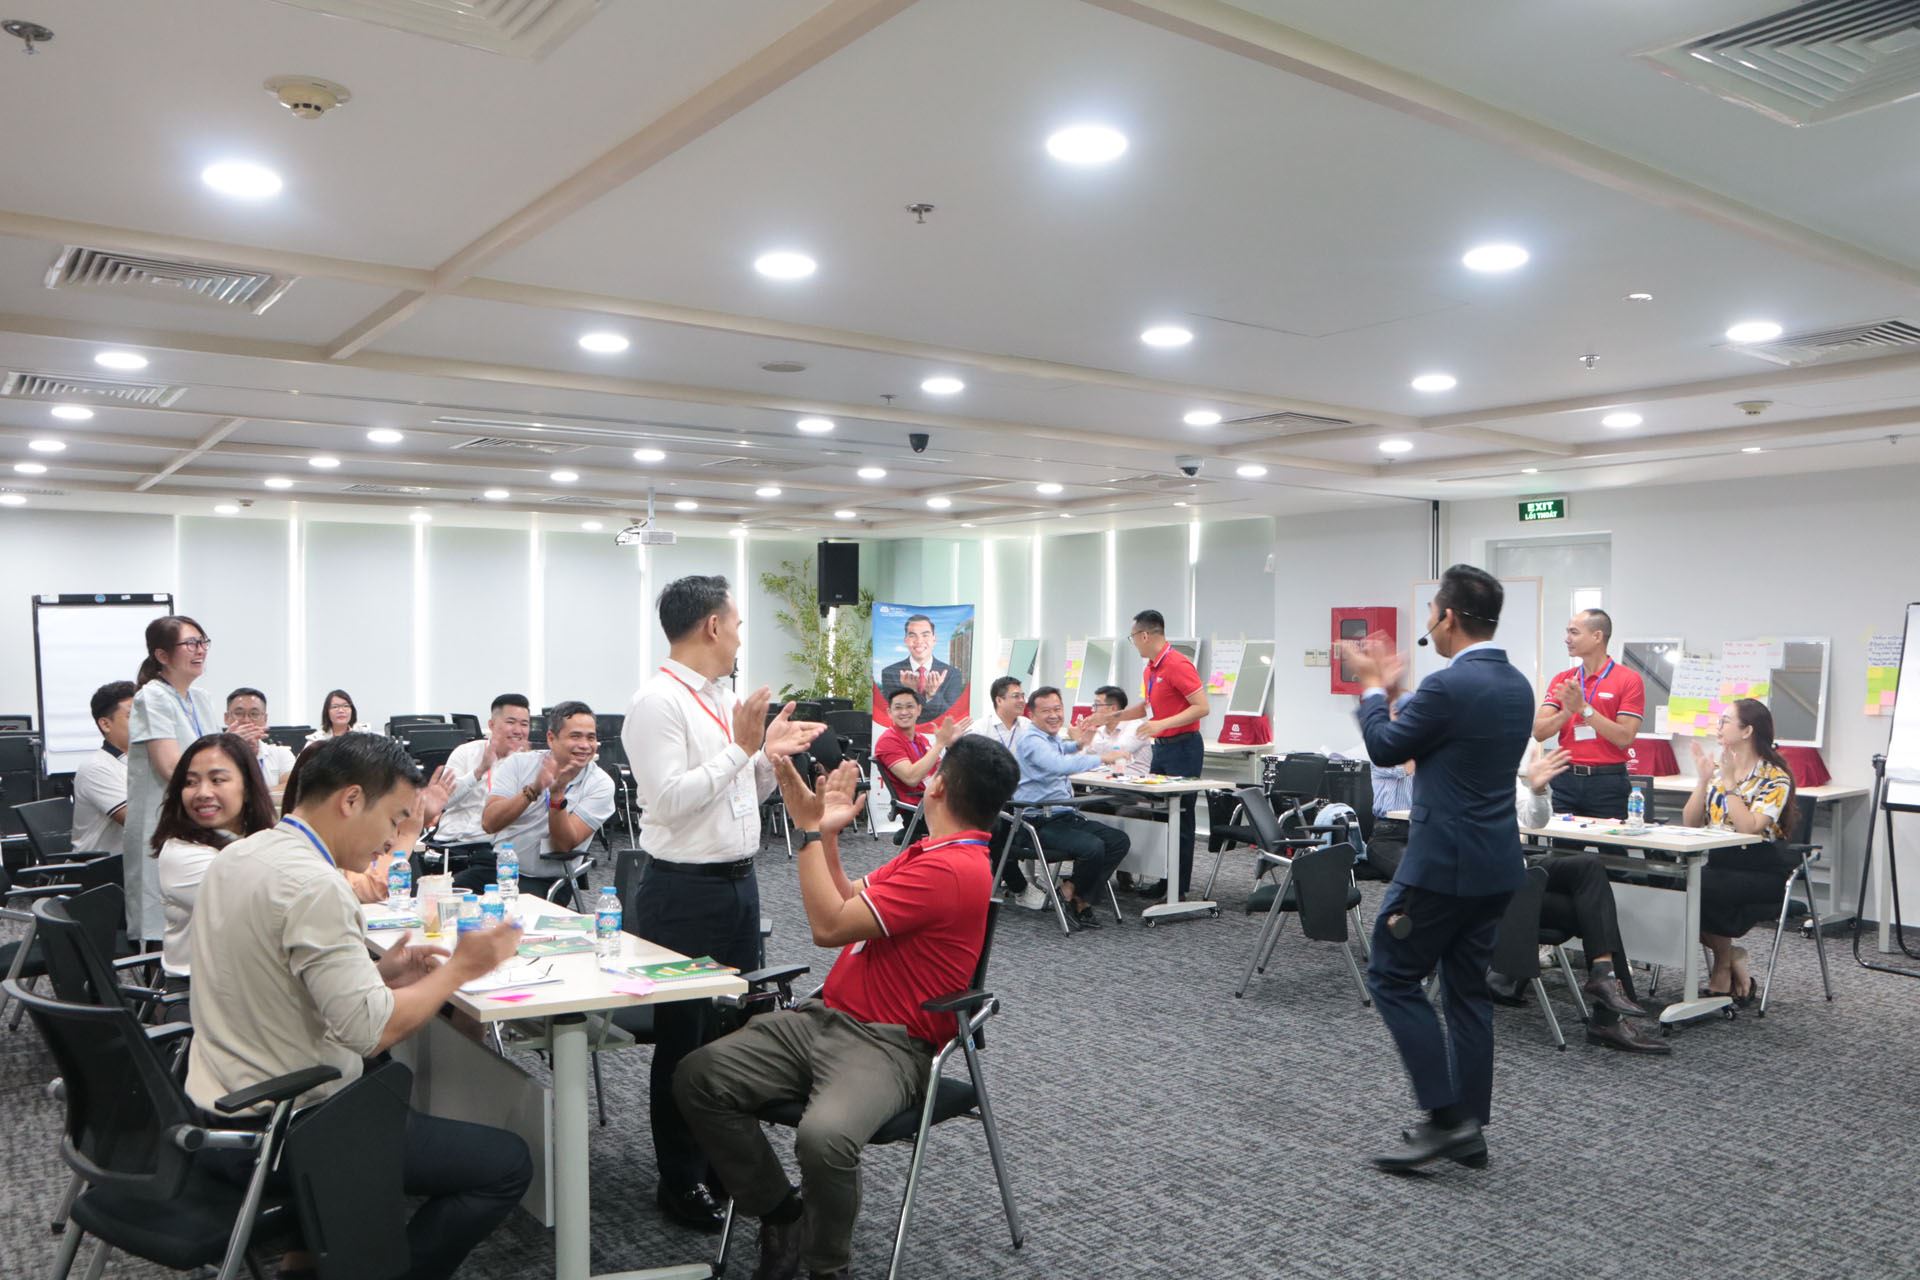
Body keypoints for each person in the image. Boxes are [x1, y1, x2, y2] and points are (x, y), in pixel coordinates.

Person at [675, 735, 1021, 1280]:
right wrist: (829, 836)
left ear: (937, 785)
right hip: (824, 1017)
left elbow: (828, 927)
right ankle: (782, 1213)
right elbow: (846, 900)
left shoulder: (952, 868)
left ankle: (825, 1265)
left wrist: (812, 833)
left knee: (824, 1139)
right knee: (699, 1076)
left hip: (888, 1045)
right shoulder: (931, 852)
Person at [185, 733, 530, 1280]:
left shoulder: (240, 854)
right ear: (350, 800)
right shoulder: (315, 886)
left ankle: (312, 1257)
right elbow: (372, 1031)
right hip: (286, 1127)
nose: (393, 839)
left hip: (217, 1102)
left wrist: (378, 975)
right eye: (393, 819)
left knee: (390, 1085)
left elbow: (271, 979)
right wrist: (462, 969)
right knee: (506, 1164)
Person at [622, 575, 826, 1232]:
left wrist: (765, 758)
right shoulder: (656, 703)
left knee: (737, 1036)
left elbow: (737, 795)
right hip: (683, 892)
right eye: (736, 625)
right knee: (684, 1041)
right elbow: (671, 800)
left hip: (740, 882)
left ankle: (726, 1167)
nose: (740, 637)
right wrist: (743, 748)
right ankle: (680, 1181)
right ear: (712, 626)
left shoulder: (724, 698)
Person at [1344, 564, 1532, 1173]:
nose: (1429, 623)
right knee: (1467, 992)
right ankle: (1470, 1127)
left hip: (1441, 865)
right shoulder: (1517, 684)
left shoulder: (1450, 685)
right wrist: (1397, 695)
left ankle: (1447, 1119)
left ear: (1447, 618)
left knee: (1392, 976)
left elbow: (1385, 747)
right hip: (1495, 864)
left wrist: (1372, 688)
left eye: (1431, 613)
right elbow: (1440, 740)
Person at [1498, 745, 1666, 1054]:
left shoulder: (1497, 766)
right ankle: (1608, 1019)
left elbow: (1535, 820)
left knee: (1589, 867)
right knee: (1594, 912)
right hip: (1495, 887)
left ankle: (1603, 976)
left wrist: (1537, 790)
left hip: (1520, 872)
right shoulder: (1453, 774)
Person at [1681, 699, 1798, 1003]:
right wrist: (1703, 780)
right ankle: (1729, 955)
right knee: (1673, 886)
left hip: (1760, 869)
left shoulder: (1775, 777)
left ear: (1747, 731)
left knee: (1699, 887)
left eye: (1725, 721)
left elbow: (1749, 828)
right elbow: (1690, 823)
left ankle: (1722, 964)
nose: (1718, 727)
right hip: (1719, 862)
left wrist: (1730, 784)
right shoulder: (1720, 771)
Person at [151, 732, 277, 981]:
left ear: (247, 787)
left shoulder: (256, 839)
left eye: (217, 780)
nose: (203, 793)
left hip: (249, 985)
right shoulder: (182, 854)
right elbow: (272, 906)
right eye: (190, 782)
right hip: (196, 991)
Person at [125, 615, 220, 946]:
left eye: (203, 642)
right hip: (163, 818)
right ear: (162, 656)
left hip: (199, 813)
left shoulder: (201, 698)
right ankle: (160, 977)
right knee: (164, 920)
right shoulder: (151, 697)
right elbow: (169, 766)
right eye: (190, 644)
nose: (200, 650)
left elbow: (213, 755)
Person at [1012, 687, 1131, 929]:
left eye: (1058, 709)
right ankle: (1080, 901)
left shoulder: (1049, 738)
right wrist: (1102, 758)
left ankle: (1071, 893)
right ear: (1032, 715)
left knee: (1118, 841)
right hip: (1037, 821)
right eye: (1046, 711)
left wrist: (1080, 743)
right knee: (1092, 847)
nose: (1054, 715)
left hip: (1063, 816)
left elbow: (1062, 750)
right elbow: (1058, 764)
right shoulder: (1031, 740)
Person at [1111, 611, 1209, 898]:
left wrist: (1161, 724)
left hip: (1184, 747)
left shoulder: (1178, 664)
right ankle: (1166, 879)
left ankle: (1178, 888)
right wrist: (1113, 716)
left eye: (1133, 637)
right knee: (1161, 814)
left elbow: (1202, 707)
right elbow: (1147, 706)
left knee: (1181, 815)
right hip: (1163, 747)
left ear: (1145, 635)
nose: (1134, 643)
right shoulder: (1151, 669)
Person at [482, 700, 614, 901]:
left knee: (511, 912)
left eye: (591, 738)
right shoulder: (518, 763)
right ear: (551, 738)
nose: (585, 745)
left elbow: (562, 845)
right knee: (448, 900)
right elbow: (489, 823)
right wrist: (534, 789)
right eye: (575, 736)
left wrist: (557, 795)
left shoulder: (600, 784)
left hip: (546, 880)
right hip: (498, 867)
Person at [1533, 609, 1644, 819]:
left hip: (1607, 782)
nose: (1567, 639)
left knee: (1609, 841)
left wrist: (1584, 709)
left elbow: (1624, 738)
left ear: (1597, 636)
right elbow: (1539, 732)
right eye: (1567, 632)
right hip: (1565, 778)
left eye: (1574, 632)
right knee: (1561, 841)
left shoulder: (1629, 679)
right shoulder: (1563, 679)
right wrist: (1566, 713)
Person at [439, 693, 532, 888]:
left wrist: (527, 767)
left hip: (493, 849)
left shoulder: (529, 765)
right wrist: (479, 771)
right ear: (491, 725)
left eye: (524, 724)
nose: (518, 730)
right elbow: (443, 801)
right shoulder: (465, 752)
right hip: (450, 844)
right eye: (511, 722)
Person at [965, 677, 1039, 905]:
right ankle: (1019, 887)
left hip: (1023, 794)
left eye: (1023, 695)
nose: (1022, 700)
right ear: (999, 700)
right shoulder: (980, 728)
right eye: (1016, 696)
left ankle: (1008, 878)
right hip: (989, 797)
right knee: (998, 830)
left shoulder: (1028, 726)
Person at [872, 686, 970, 813]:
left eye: (909, 706)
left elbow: (941, 771)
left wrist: (950, 746)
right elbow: (911, 778)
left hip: (939, 799)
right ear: (889, 712)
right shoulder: (887, 741)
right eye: (898, 708)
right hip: (921, 810)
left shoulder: (920, 739)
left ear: (919, 710)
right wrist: (940, 744)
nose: (904, 712)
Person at [71, 680, 134, 855]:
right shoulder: (97, 767)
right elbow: (138, 824)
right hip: (101, 866)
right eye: (132, 715)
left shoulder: (143, 761)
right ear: (106, 724)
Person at [876, 613, 965, 723]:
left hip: (939, 732)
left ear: (934, 639)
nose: (919, 641)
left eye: (925, 635)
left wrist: (932, 695)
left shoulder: (953, 674)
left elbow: (952, 717)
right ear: (906, 640)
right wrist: (910, 693)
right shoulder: (890, 673)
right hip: (904, 733)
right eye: (912, 635)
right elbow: (892, 715)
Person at [223, 686, 297, 794]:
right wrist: (228, 744)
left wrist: (253, 796)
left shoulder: (281, 754)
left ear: (265, 719)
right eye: (239, 713)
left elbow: (292, 786)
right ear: (226, 718)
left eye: (254, 714)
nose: (246, 720)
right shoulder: (216, 755)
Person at [1087, 685, 1152, 774]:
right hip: (1107, 778)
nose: (1092, 710)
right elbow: (1088, 754)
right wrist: (1081, 740)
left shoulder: (1136, 726)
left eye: (1097, 705)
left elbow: (1117, 752)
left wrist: (1087, 742)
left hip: (1133, 779)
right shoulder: (1101, 730)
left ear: (1113, 708)